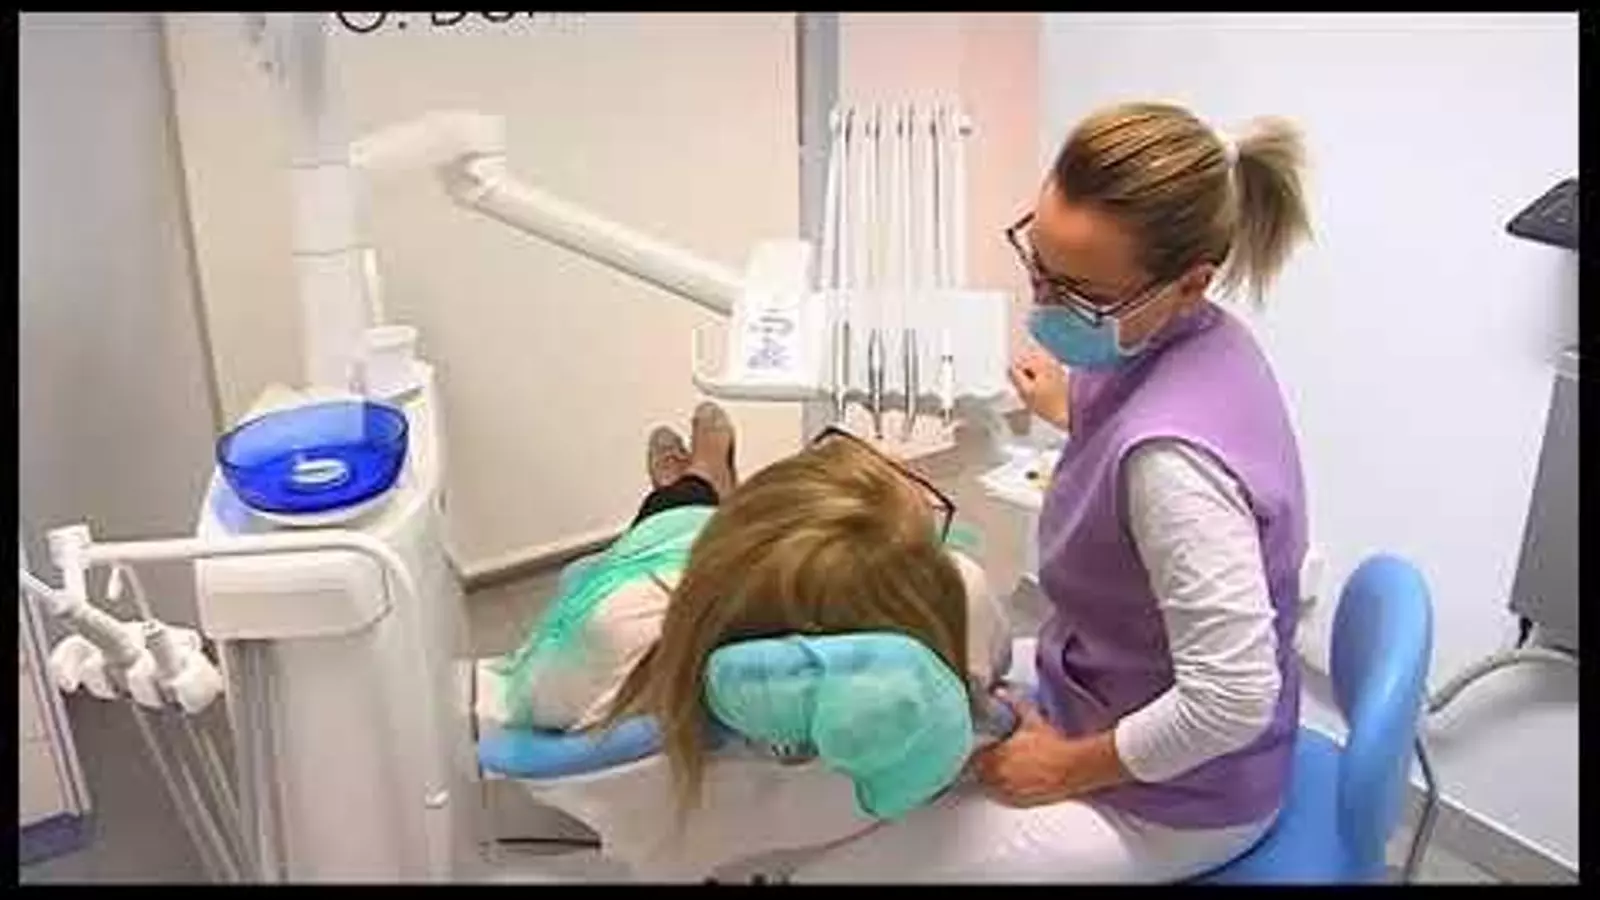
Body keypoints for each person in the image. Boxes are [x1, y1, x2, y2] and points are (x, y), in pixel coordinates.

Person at [789, 100, 1314, 883]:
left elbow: (1231, 699)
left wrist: (1064, 769)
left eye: (1078, 292)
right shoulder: (1178, 337)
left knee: (834, 875)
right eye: (1037, 262)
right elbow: (1139, 423)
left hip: (1174, 798)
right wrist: (1072, 409)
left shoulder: (1173, 469)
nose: (1042, 302)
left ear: (1190, 284)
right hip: (1096, 678)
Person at [475, 401, 1010, 745]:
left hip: (680, 558)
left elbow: (537, 706)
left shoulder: (624, 621)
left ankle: (700, 481)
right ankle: (706, 478)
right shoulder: (959, 593)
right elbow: (996, 671)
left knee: (673, 517)